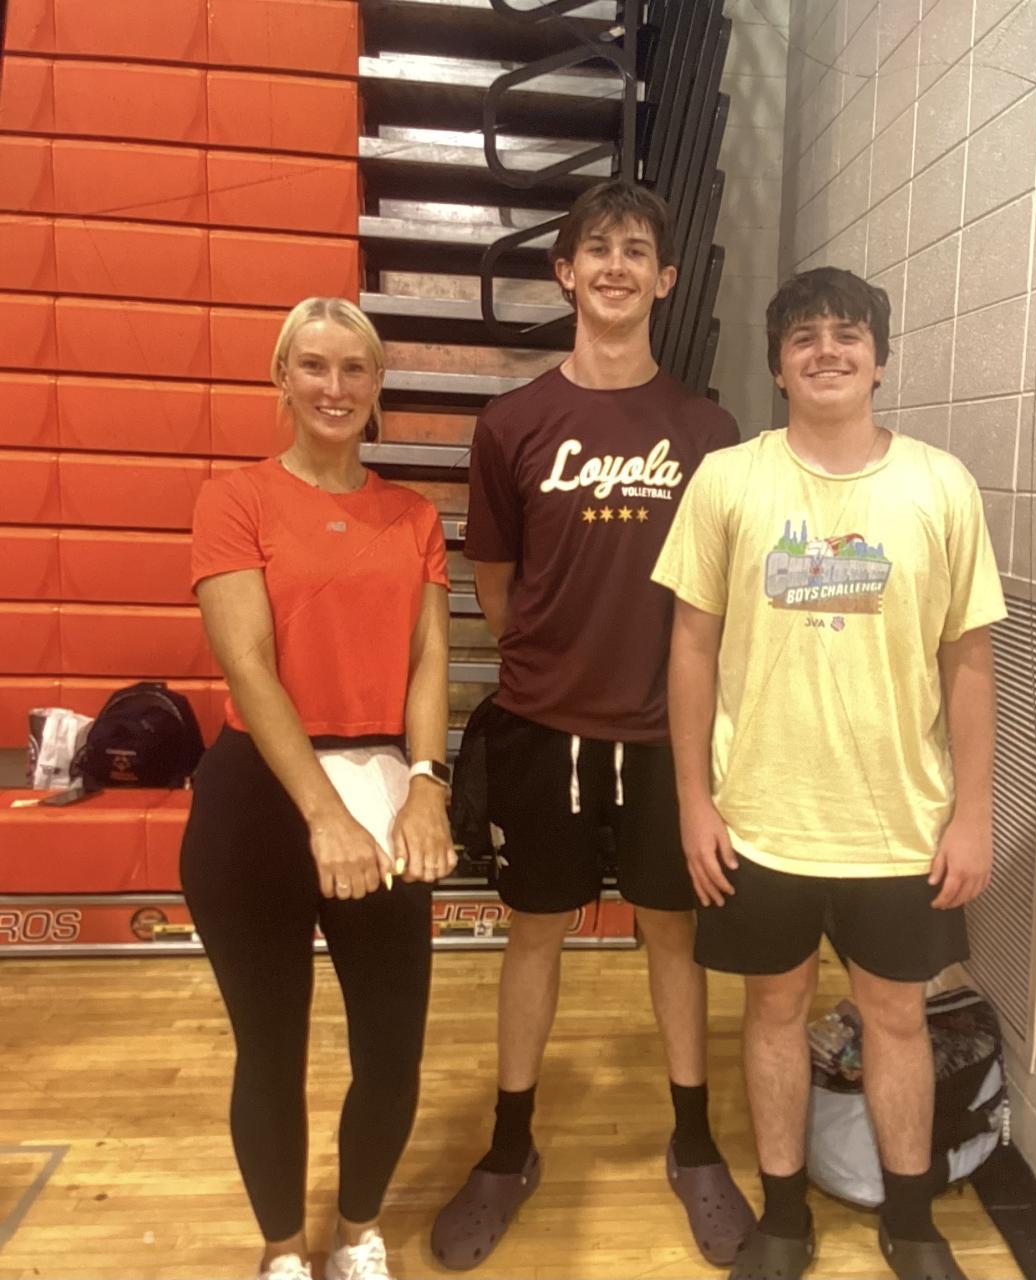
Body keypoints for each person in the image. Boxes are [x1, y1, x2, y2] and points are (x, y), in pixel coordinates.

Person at [653, 266, 1006, 1280]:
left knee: (895, 1016)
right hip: (760, 818)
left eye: (848, 334)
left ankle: (912, 1220)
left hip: (900, 823)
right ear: (778, 364)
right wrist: (694, 802)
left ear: (880, 359)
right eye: (803, 336)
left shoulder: (941, 484)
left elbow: (969, 660)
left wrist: (973, 813)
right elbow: (690, 648)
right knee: (775, 1010)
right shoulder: (729, 479)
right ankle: (782, 1215)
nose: (826, 351)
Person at [430, 180, 754, 1271]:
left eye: (636, 250)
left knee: (674, 934)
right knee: (534, 932)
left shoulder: (709, 430)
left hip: (667, 736)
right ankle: (508, 1146)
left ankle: (693, 1142)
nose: (617, 265)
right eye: (597, 249)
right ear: (565, 273)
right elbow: (494, 580)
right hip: (543, 727)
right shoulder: (511, 423)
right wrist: (558, 660)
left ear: (665, 279)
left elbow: (719, 597)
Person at [180, 297, 457, 1280]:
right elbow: (248, 664)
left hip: (382, 783)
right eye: (314, 366)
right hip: (260, 797)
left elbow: (430, 660)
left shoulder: (414, 516)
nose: (334, 387)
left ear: (377, 387)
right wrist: (324, 815)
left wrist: (426, 784)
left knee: (392, 1050)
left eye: (354, 369)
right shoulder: (235, 499)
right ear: (282, 378)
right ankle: (283, 1251)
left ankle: (357, 1231)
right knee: (271, 1048)